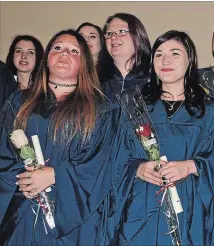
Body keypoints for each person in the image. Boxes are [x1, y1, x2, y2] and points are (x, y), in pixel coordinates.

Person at [0, 29, 143, 245]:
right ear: (47, 59)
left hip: (74, 220)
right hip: (23, 210)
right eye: (57, 48)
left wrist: (56, 175)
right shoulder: (19, 102)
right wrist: (25, 178)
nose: (64, 53)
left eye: (73, 51)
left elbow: (101, 164)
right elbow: (3, 151)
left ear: (84, 63)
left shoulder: (101, 110)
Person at [116, 30, 214, 245]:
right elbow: (115, 157)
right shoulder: (135, 108)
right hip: (142, 205)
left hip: (191, 206)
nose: (165, 60)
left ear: (190, 60)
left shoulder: (212, 110)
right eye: (159, 54)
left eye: (175, 53)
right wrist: (137, 168)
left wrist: (190, 166)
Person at [98, 13, 151, 100]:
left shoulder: (153, 80)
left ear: (138, 37)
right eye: (109, 33)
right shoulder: (94, 83)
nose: (113, 37)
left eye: (122, 32)